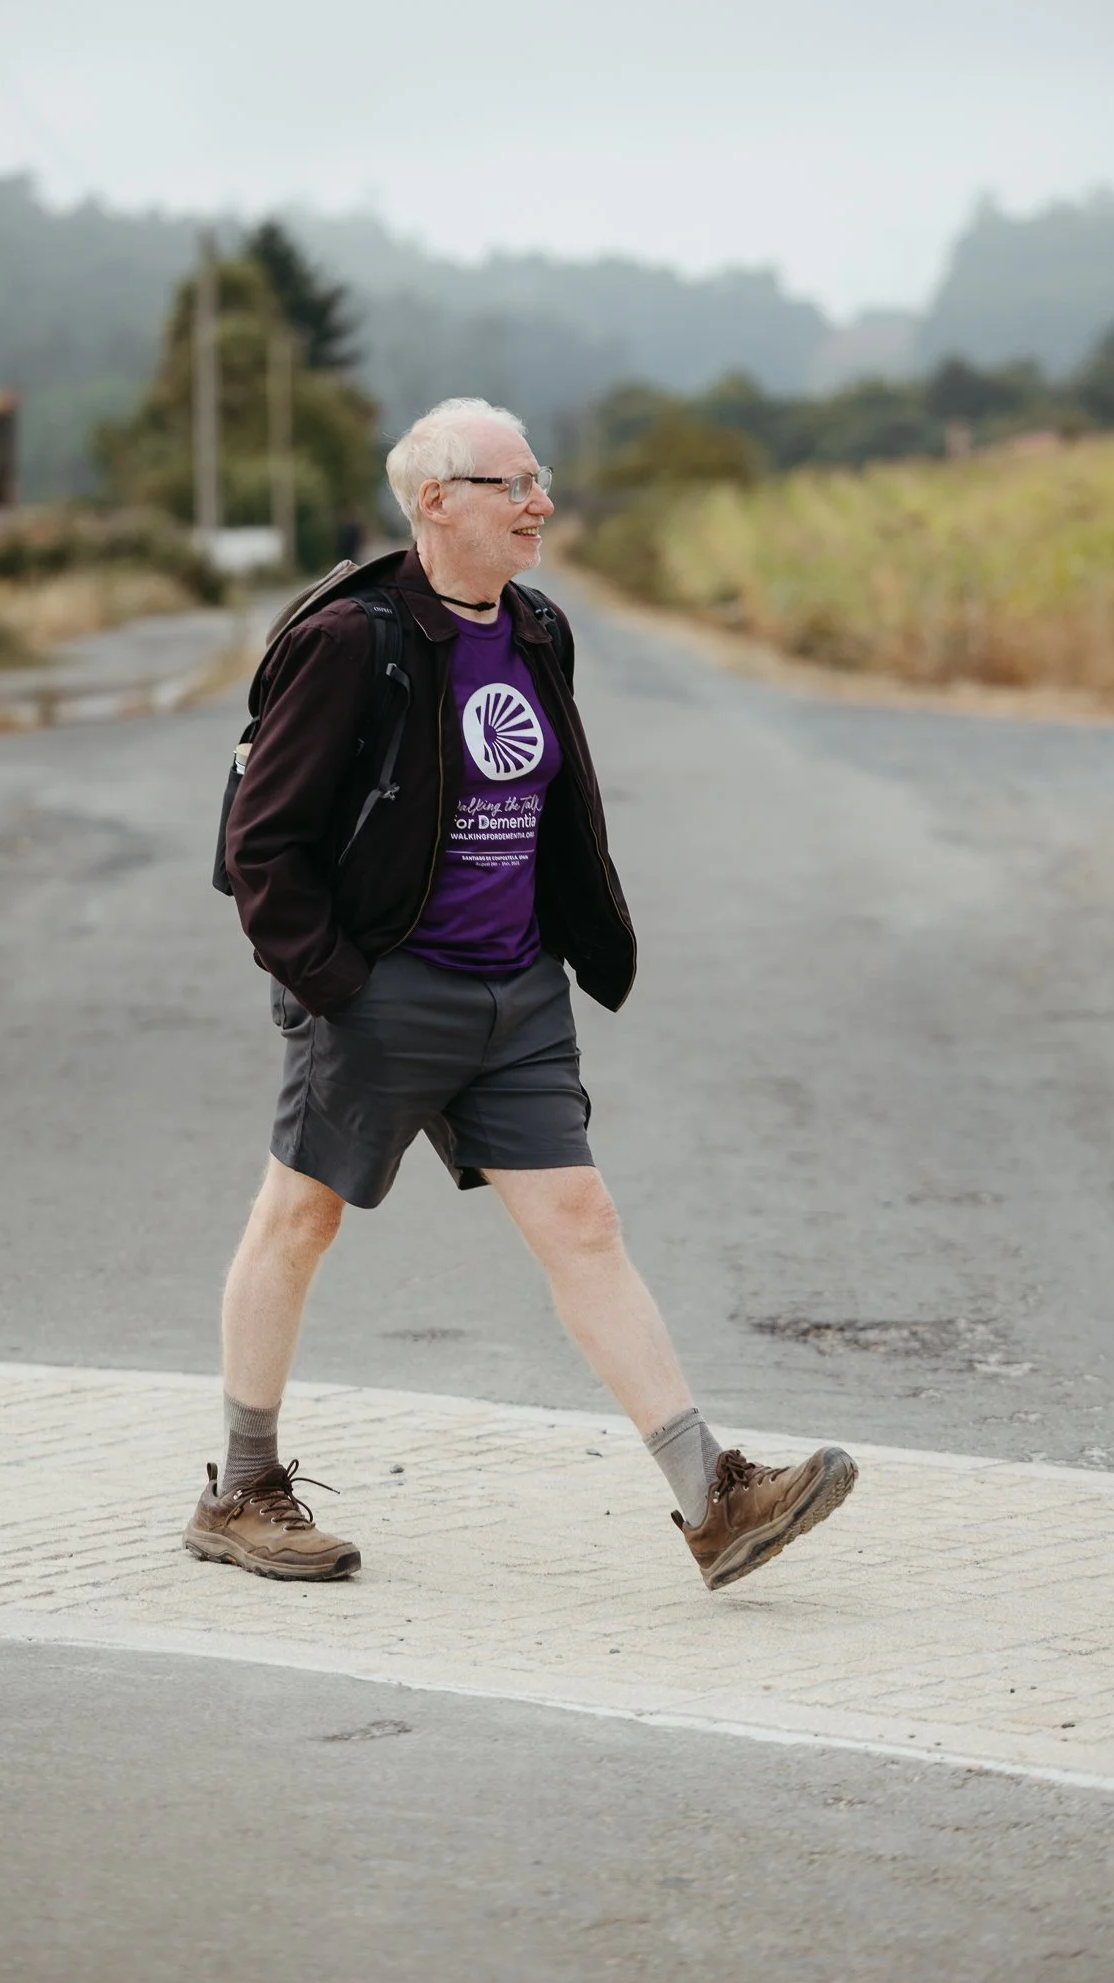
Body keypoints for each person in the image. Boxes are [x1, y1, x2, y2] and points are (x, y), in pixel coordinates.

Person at [184, 397, 856, 1591]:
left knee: (583, 1221)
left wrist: (565, 945)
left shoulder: (539, 628)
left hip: (517, 992)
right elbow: (261, 845)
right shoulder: (353, 641)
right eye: (514, 483)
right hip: (384, 989)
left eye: (540, 477)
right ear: (437, 501)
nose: (541, 500)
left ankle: (713, 1498)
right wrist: (341, 986)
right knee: (300, 1216)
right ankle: (241, 1488)